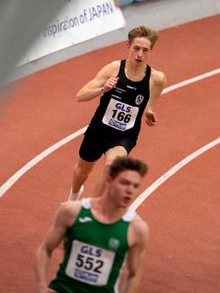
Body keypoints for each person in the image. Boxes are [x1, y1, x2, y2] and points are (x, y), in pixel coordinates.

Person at [68, 26, 166, 200]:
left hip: (124, 135)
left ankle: (89, 209)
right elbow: (80, 96)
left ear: (151, 51)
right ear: (128, 45)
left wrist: (149, 109)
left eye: (145, 50)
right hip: (98, 130)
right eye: (136, 48)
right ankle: (74, 196)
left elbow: (157, 89)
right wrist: (103, 89)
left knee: (112, 167)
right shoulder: (114, 69)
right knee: (82, 172)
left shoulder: (156, 78)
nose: (140, 55)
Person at [35, 156, 149, 293]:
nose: (130, 190)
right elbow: (45, 249)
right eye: (125, 183)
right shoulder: (72, 212)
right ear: (109, 180)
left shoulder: (136, 229)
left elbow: (134, 274)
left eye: (135, 186)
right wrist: (41, 285)